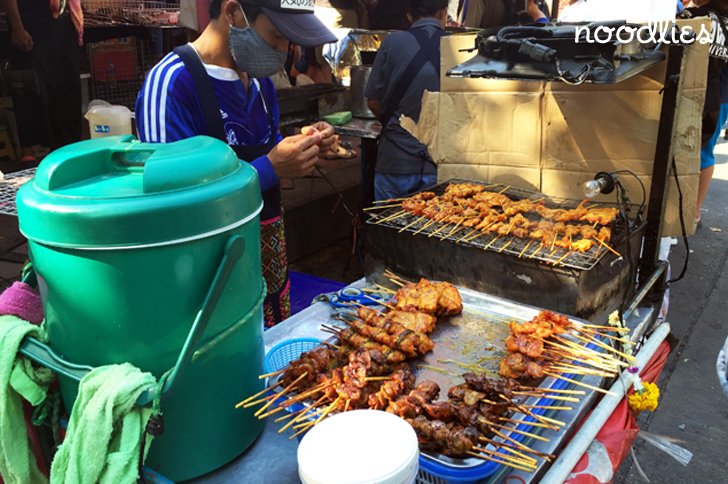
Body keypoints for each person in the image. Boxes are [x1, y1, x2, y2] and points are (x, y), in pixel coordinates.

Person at [135, 0, 338, 327]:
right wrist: (271, 167)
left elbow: (273, 169)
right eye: (275, 36)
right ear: (232, 12)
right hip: (208, 290)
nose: (284, 50)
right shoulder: (172, 84)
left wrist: (310, 153)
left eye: (289, 40)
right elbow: (168, 207)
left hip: (268, 272)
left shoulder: (261, 84)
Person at [364, 0, 448, 201]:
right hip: (438, 166)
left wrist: (398, 124)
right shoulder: (456, 48)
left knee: (386, 228)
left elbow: (373, 100)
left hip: (394, 161)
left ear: (409, 16)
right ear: (444, 13)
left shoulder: (392, 42)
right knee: (432, 229)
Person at [1, 0, 84, 161]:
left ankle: (67, 152)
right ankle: (30, 155)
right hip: (30, 29)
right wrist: (17, 27)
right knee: (32, 92)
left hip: (62, 28)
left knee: (66, 92)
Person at [679, 0, 728, 226]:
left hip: (695, 96)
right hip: (719, 96)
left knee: (686, 153)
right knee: (704, 153)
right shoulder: (723, 20)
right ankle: (693, 212)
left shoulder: (695, 16)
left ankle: (685, 210)